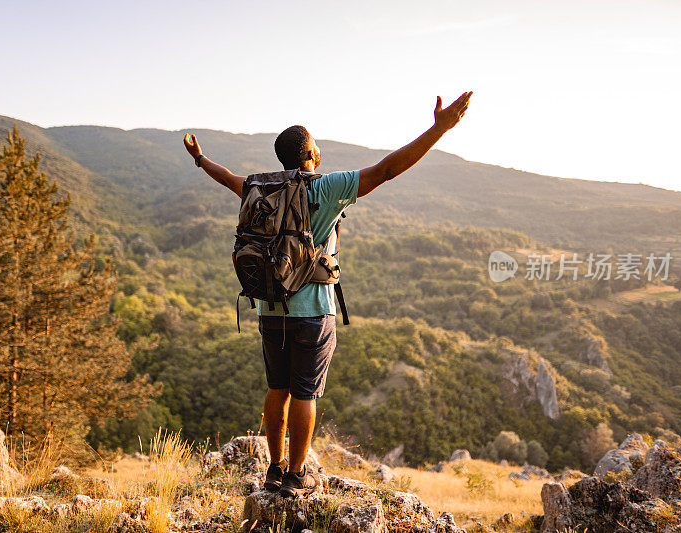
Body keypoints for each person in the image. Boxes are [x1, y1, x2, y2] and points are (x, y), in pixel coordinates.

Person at [183, 91, 472, 497]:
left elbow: (227, 177)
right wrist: (439, 129)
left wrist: (200, 159)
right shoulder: (327, 187)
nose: (320, 149)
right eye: (316, 144)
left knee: (276, 389)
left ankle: (274, 468)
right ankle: (296, 475)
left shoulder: (259, 188)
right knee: (304, 393)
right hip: (313, 311)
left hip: (270, 308)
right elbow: (388, 169)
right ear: (308, 155)